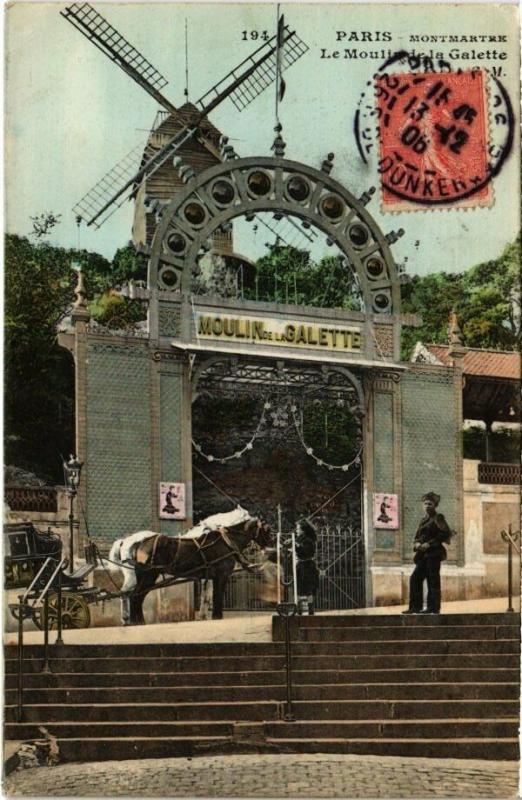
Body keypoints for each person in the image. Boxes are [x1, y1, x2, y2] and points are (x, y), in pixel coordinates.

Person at [403, 492, 451, 615]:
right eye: (425, 503)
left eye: (430, 503)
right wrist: (417, 544)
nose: (427, 506)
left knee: (432, 580)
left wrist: (429, 544)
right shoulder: (423, 520)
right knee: (415, 578)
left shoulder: (438, 517)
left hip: (434, 554)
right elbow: (417, 536)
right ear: (422, 505)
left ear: (435, 505)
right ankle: (415, 607)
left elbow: (445, 533)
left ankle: (433, 608)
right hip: (423, 555)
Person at [295, 518, 320, 615]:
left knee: (307, 589)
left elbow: (305, 551)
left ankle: (310, 609)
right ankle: (300, 609)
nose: (296, 531)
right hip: (301, 565)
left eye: (298, 529)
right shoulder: (300, 539)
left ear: (303, 530)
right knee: (300, 588)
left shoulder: (308, 540)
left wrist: (297, 546)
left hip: (307, 566)